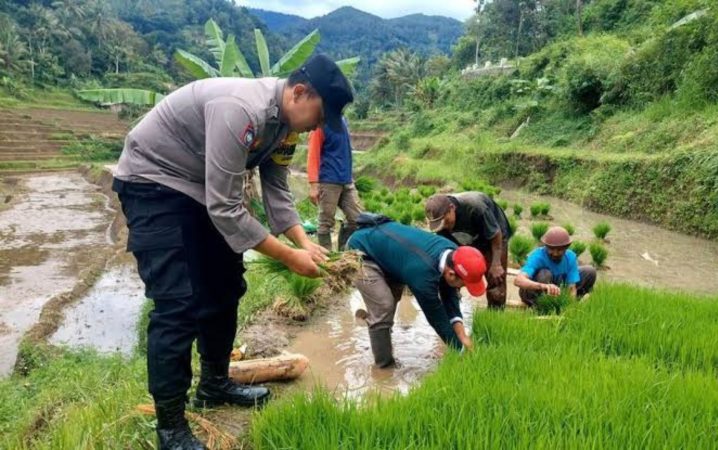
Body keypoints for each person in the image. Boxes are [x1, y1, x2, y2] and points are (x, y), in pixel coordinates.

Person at [112, 54, 353, 449]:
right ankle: (170, 428)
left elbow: (275, 189)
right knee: (178, 304)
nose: (318, 127)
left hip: (201, 189)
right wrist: (289, 257)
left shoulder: (286, 127)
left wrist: (305, 242)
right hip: (153, 182)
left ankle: (214, 384)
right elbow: (225, 207)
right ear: (299, 93)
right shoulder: (240, 109)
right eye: (320, 115)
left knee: (225, 286)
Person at [347, 216, 487, 368]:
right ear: (451, 274)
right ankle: (385, 367)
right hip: (361, 252)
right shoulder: (422, 276)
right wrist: (460, 350)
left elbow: (449, 294)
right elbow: (436, 316)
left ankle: (380, 334)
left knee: (391, 300)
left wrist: (462, 336)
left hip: (391, 254)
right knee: (383, 306)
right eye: (464, 284)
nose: (463, 288)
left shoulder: (453, 253)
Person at [425, 192, 511, 309]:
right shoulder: (441, 222)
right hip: (468, 236)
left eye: (445, 221)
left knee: (496, 283)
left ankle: (495, 316)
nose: (443, 226)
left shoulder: (475, 207)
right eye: (439, 224)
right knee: (453, 276)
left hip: (493, 238)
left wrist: (496, 264)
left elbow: (495, 235)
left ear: (452, 209)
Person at [307, 115, 362, 250]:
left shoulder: (343, 120)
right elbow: (313, 153)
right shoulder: (320, 122)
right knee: (326, 222)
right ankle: (327, 259)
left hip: (347, 180)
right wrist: (313, 184)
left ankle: (343, 250)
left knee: (357, 219)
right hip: (328, 180)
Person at [514, 226, 596, 306]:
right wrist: (544, 286)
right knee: (545, 274)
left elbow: (571, 288)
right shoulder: (537, 256)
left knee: (589, 271)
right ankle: (541, 306)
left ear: (566, 248)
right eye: (551, 249)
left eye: (559, 250)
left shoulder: (570, 257)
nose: (555, 253)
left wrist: (570, 307)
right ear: (546, 246)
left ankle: (562, 303)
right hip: (533, 292)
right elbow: (518, 280)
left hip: (556, 289)